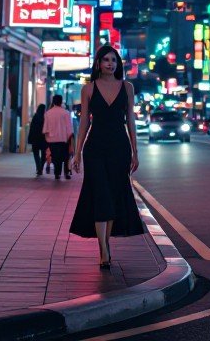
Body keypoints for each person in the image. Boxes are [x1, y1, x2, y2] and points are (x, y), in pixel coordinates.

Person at [70, 45, 145, 268]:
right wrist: (77, 153)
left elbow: (130, 120)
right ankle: (103, 250)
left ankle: (106, 245)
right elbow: (84, 122)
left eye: (114, 60)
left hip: (120, 148)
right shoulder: (89, 89)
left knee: (112, 195)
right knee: (100, 195)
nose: (110, 64)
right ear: (98, 64)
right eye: (106, 60)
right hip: (95, 148)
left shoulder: (127, 87)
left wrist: (135, 151)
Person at [43, 93, 74, 181]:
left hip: (52, 139)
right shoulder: (66, 113)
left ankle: (57, 173)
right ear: (61, 102)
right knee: (64, 156)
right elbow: (69, 128)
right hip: (64, 139)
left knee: (55, 157)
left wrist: (47, 138)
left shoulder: (48, 113)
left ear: (53, 102)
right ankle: (65, 172)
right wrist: (69, 137)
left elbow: (45, 128)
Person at [27, 103, 48, 177]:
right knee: (44, 155)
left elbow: (32, 129)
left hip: (35, 139)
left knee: (36, 154)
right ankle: (41, 167)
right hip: (43, 139)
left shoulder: (35, 117)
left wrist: (30, 139)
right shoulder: (46, 117)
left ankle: (39, 168)